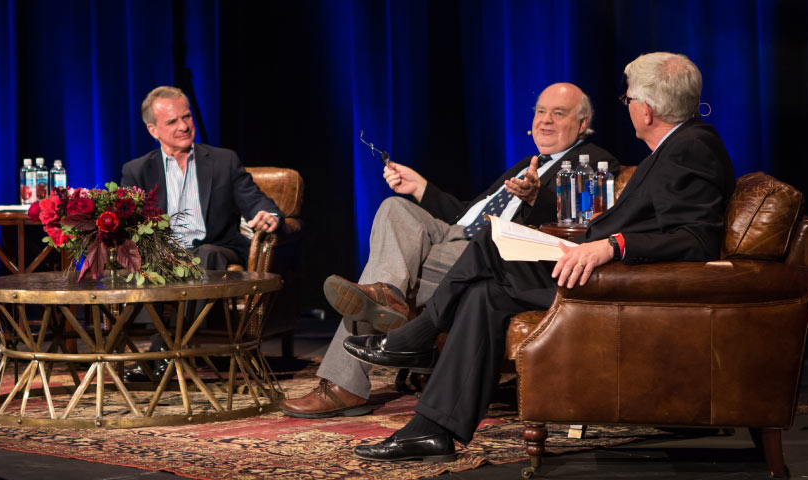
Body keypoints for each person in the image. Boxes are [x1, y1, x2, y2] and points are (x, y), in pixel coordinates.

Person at [341, 52, 735, 462]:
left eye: (629, 99)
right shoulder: (675, 147)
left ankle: (414, 338)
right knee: (484, 295)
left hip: (616, 285)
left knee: (491, 247)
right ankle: (431, 430)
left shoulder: (691, 147)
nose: (628, 105)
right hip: (596, 269)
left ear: (647, 111)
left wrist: (613, 245)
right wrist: (593, 240)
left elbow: (696, 239)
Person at [281, 83, 617, 419]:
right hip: (458, 237)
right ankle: (388, 293)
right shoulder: (525, 164)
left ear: (583, 123)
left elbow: (580, 223)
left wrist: (535, 200)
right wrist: (420, 187)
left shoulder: (597, 164)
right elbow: (469, 213)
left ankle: (346, 381)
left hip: (491, 255)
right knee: (395, 207)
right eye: (540, 112)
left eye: (558, 114)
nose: (545, 121)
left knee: (373, 286)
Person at [121, 86, 282, 270]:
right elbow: (129, 225)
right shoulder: (137, 171)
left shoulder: (224, 161)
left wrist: (269, 215)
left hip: (216, 250)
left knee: (207, 254)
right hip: (164, 256)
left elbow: (254, 199)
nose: (184, 126)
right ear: (153, 130)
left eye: (187, 117)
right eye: (172, 121)